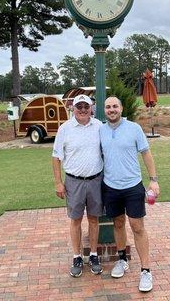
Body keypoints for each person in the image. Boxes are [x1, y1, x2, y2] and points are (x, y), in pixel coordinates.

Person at [100, 96, 160, 292]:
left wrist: (153, 180)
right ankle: (122, 259)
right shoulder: (100, 130)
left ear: (121, 108)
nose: (111, 110)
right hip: (110, 186)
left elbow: (146, 153)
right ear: (104, 110)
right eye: (108, 107)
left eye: (115, 106)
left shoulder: (134, 128)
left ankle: (146, 270)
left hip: (133, 186)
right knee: (118, 223)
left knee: (137, 226)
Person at [52, 94, 104, 277]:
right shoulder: (65, 129)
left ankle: (94, 255)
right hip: (73, 181)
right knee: (75, 220)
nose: (82, 110)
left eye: (86, 106)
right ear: (72, 108)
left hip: (96, 180)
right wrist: (58, 182)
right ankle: (77, 256)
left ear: (91, 108)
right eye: (79, 106)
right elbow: (56, 157)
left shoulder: (99, 126)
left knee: (93, 219)